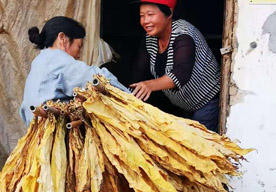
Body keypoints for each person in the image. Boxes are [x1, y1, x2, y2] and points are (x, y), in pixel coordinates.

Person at [130, 0, 221, 133]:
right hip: (185, 106)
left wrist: (149, 85)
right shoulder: (150, 39)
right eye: (142, 16)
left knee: (200, 147)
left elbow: (181, 72)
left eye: (150, 14)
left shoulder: (184, 33)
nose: (145, 21)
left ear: (169, 13)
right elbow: (138, 71)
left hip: (207, 102)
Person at [20, 16, 129, 126]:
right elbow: (98, 78)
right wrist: (131, 98)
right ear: (62, 38)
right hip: (52, 133)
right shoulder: (58, 60)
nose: (79, 55)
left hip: (34, 133)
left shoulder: (39, 61)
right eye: (79, 47)